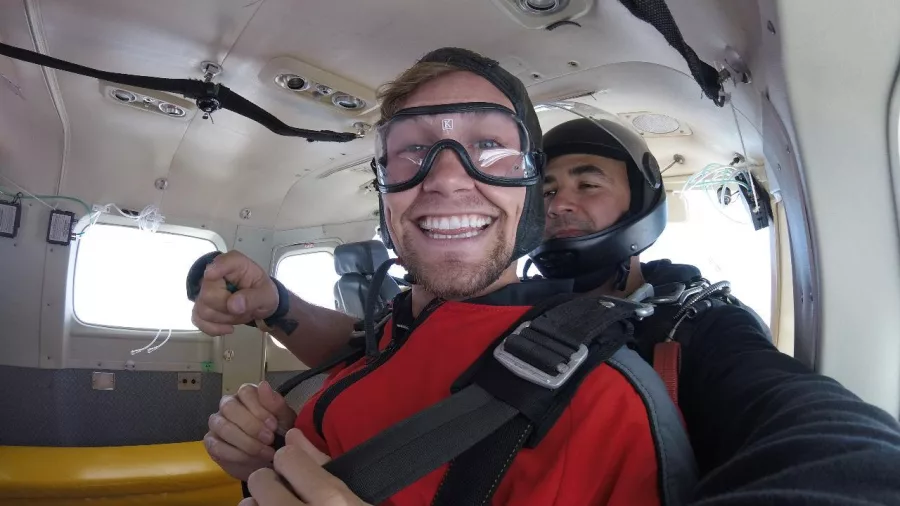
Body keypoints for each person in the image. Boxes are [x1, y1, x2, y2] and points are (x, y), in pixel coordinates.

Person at [191, 48, 900, 505]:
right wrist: (279, 332)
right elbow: (374, 348)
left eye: (587, 182)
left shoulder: (688, 324)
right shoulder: (454, 312)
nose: (561, 200)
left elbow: (821, 432)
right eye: (550, 182)